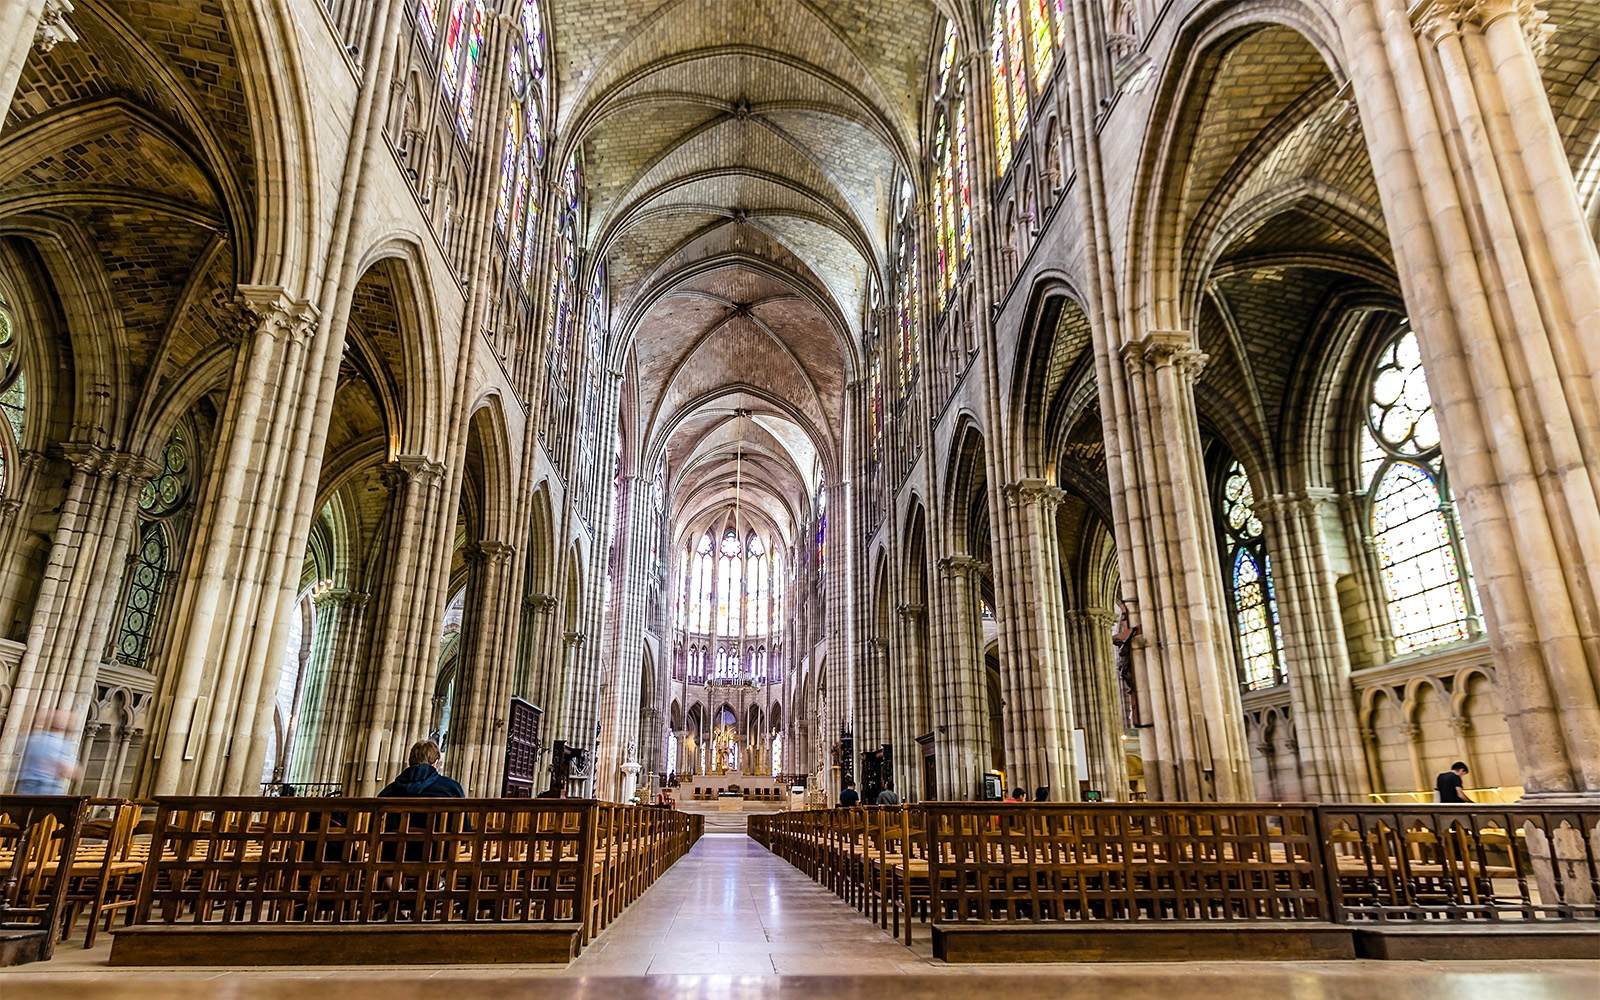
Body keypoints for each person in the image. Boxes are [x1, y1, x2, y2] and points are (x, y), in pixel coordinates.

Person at [15, 710, 81, 795]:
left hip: (26, 786)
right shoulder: (62, 744)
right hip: (48, 789)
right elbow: (68, 770)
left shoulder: (32, 738)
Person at [378, 739, 464, 798]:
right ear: (435, 763)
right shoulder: (452, 789)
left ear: (409, 763)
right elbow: (464, 823)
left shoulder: (388, 792)